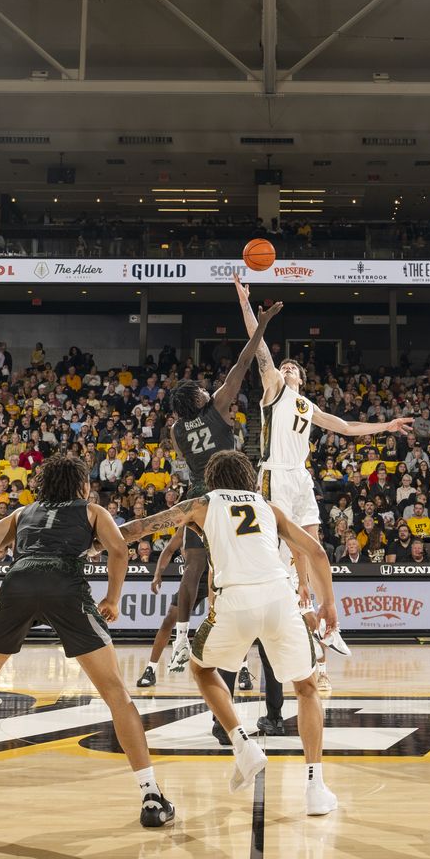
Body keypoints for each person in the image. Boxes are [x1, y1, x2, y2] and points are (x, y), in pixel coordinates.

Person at [0, 453, 175, 831]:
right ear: (82, 486)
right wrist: (112, 598)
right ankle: (151, 796)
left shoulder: (24, 512)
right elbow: (119, 549)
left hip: (19, 583)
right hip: (64, 585)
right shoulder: (92, 511)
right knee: (117, 694)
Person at [118, 450, 339, 817]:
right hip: (279, 598)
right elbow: (315, 550)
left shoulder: (202, 503)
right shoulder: (269, 508)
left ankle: (242, 744)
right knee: (307, 687)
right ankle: (315, 787)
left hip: (234, 599)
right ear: (250, 480)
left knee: (202, 669)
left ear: (212, 480)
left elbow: (140, 528)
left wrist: (91, 539)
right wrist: (327, 603)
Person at [237, 278, 413, 696]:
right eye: (283, 366)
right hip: (274, 475)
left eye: (292, 366)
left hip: (300, 478)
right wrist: (245, 303)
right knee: (277, 569)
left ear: (302, 377)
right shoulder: (274, 391)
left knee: (314, 556)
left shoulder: (307, 405)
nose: (286, 367)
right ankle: (251, 659)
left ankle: (323, 641)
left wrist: (385, 425)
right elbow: (258, 348)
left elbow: (349, 427)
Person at [141, 296, 281, 693]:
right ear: (200, 400)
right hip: (231, 494)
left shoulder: (175, 431)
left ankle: (182, 639)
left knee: (193, 570)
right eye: (203, 390)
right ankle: (238, 656)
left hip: (197, 496)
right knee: (228, 577)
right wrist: (263, 324)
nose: (208, 390)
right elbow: (242, 364)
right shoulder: (218, 406)